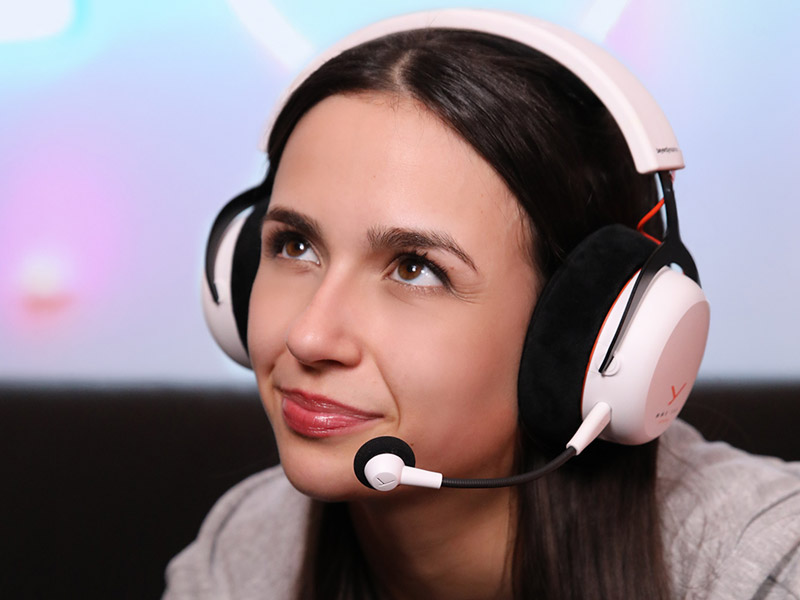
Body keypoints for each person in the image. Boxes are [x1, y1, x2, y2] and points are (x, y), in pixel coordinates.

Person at [165, 10, 800, 600]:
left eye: (415, 268)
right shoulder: (244, 555)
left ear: (583, 331)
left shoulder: (762, 566)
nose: (308, 336)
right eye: (294, 245)